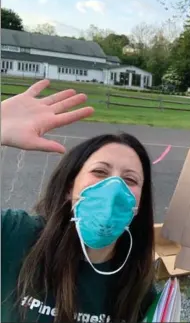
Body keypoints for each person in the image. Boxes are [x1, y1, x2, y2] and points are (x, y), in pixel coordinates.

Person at [1, 80, 158, 323]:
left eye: (130, 179)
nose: (114, 188)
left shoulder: (138, 286)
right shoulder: (15, 236)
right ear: (68, 187)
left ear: (138, 205)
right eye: (100, 173)